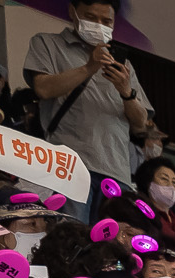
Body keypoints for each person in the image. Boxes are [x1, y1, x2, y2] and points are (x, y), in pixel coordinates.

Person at [21, 0, 152, 187]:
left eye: (106, 21)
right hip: (69, 165)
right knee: (73, 218)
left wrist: (126, 92)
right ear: (72, 12)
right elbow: (43, 89)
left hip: (117, 171)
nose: (99, 25)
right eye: (91, 17)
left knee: (116, 217)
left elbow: (140, 125)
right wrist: (89, 67)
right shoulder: (47, 43)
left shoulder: (124, 65)